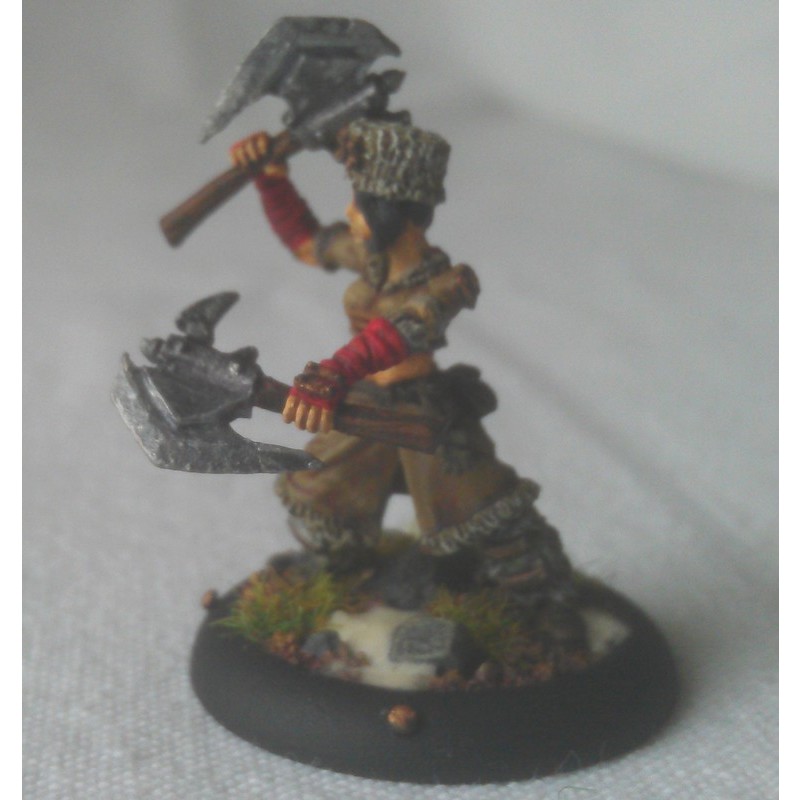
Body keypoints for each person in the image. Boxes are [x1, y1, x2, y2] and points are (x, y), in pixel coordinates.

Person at [231, 120, 577, 617]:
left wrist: (334, 373)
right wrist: (270, 179)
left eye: (361, 202)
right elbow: (307, 241)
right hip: (364, 406)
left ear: (395, 210)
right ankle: (338, 574)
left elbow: (400, 332)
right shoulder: (371, 259)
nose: (350, 212)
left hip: (423, 413)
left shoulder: (448, 282)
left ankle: (545, 606)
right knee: (321, 498)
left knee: (487, 513)